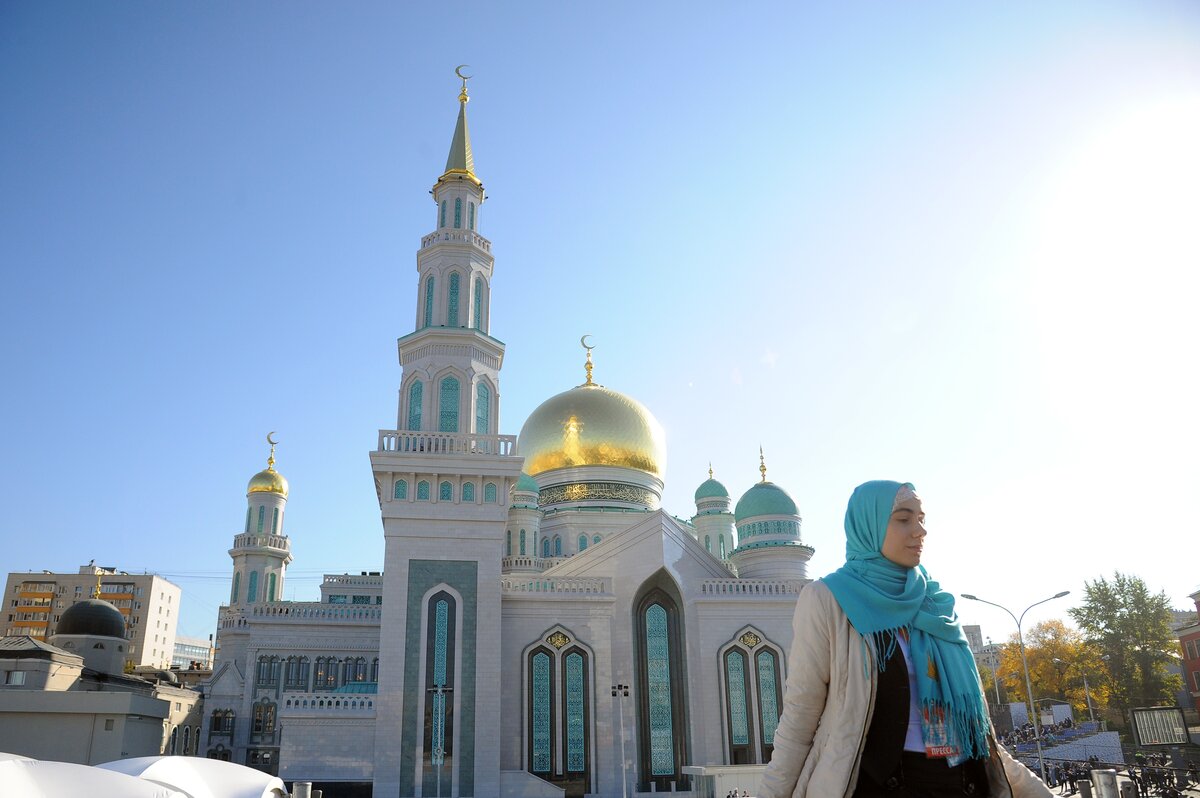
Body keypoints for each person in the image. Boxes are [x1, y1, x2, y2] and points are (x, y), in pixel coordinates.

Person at [757, 481, 1053, 798]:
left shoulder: (935, 603)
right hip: (883, 785)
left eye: (921, 519)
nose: (920, 530)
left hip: (962, 782)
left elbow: (979, 732)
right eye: (903, 519)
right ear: (869, 525)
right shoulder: (829, 599)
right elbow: (800, 715)